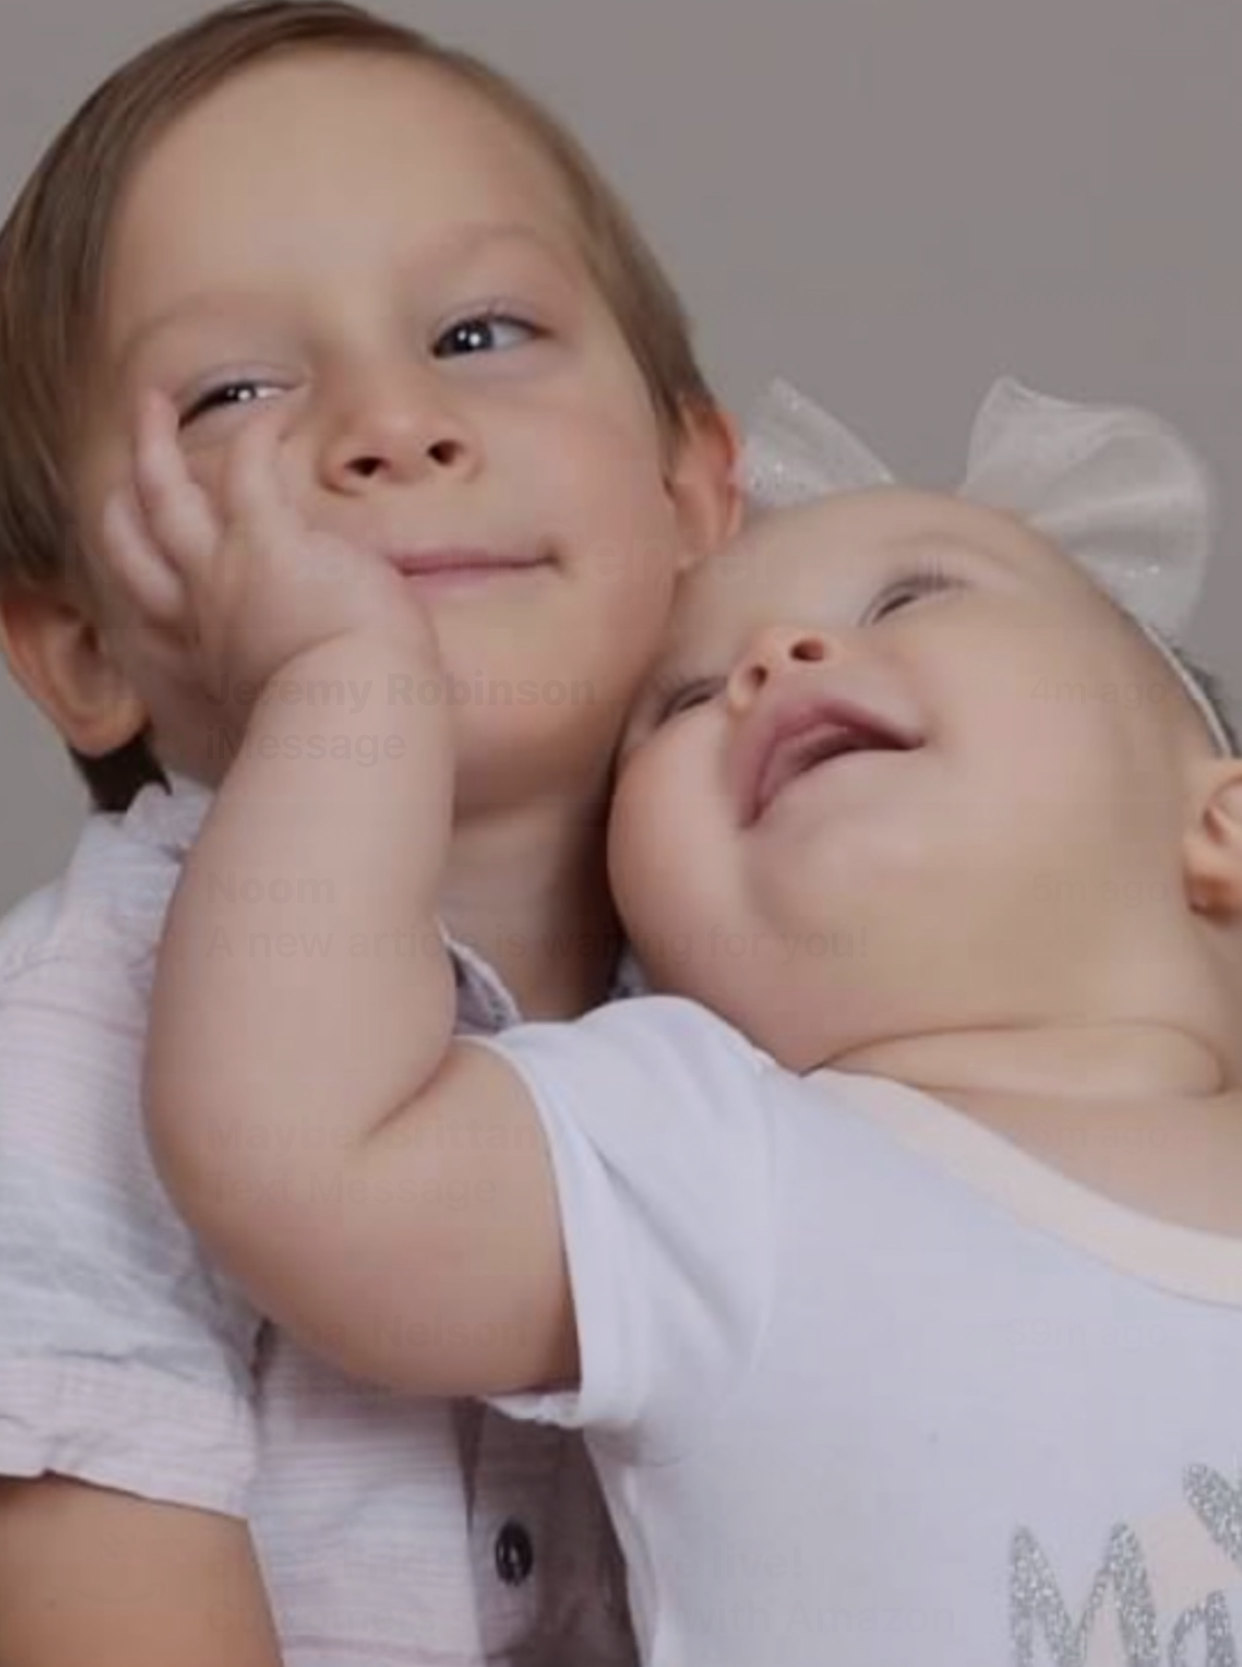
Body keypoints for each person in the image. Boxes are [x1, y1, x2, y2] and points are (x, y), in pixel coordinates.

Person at [120, 374, 1242, 1666]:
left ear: (1221, 825)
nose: (773, 659)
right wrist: (343, 686)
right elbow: (298, 1150)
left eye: (908, 598)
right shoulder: (710, 1149)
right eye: (684, 703)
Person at [0, 3, 739, 1662]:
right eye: (234, 391)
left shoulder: (810, 953)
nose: (391, 424)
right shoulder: (60, 1066)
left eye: (478, 332)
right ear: (85, 645)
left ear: (693, 491)